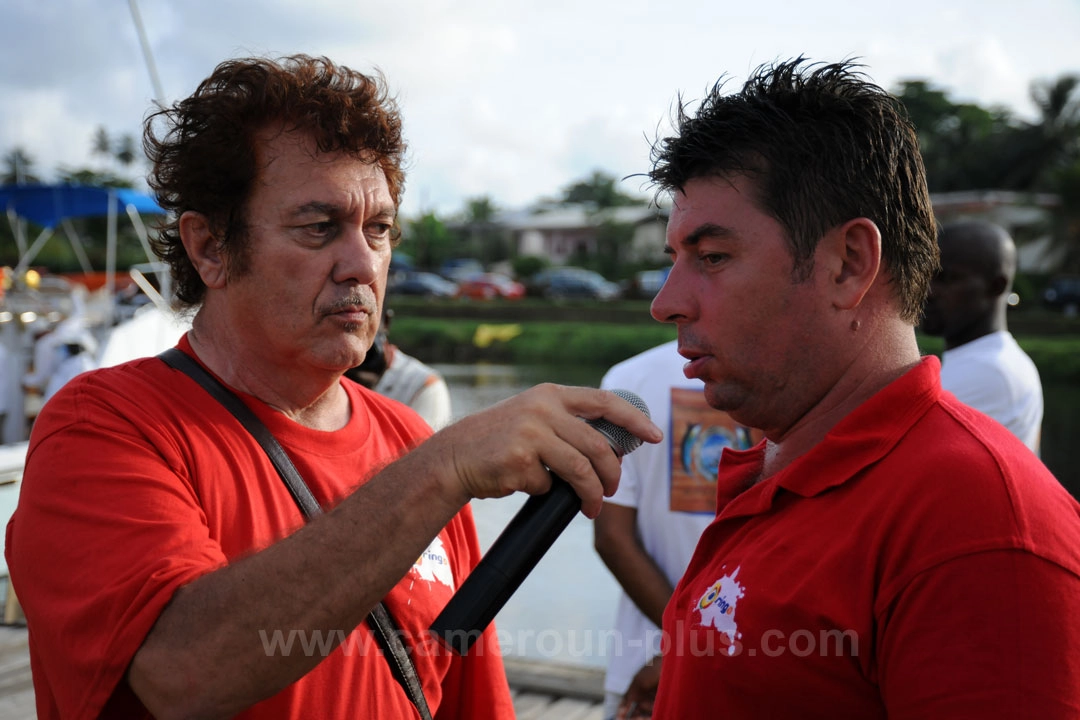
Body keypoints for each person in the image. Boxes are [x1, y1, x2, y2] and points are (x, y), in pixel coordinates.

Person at [4, 54, 661, 720]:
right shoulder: (102, 428)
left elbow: (465, 700)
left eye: (378, 229)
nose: (361, 264)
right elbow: (184, 670)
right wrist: (444, 469)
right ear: (209, 248)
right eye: (319, 228)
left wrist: (437, 465)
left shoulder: (408, 438)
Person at [620, 58, 1080, 719]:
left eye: (713, 257)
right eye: (675, 261)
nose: (667, 304)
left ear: (849, 264)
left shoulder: (980, 529)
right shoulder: (786, 470)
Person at [593, 339, 758, 720]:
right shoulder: (791, 375)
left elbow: (613, 538)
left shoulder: (630, 379)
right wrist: (697, 646)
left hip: (650, 663)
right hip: (756, 658)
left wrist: (684, 646)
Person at [920, 220, 1043, 453]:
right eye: (927, 275)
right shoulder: (1000, 361)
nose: (928, 291)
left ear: (995, 286)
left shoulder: (989, 371)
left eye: (947, 279)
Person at [345, 307, 453, 430]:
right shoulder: (326, 374)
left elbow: (426, 446)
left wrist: (366, 391)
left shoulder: (423, 384)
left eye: (365, 313)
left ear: (386, 321)